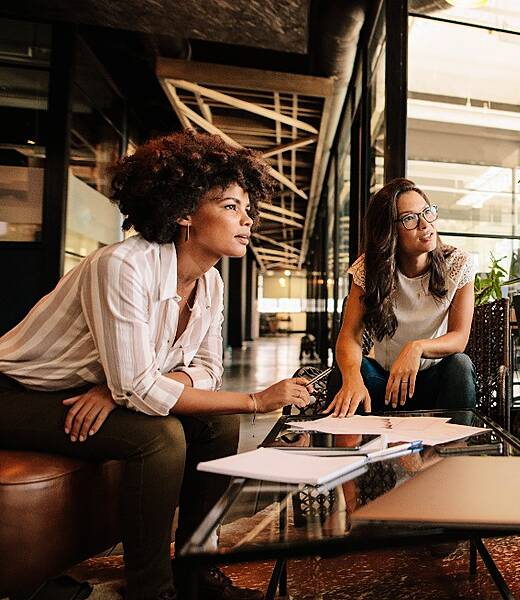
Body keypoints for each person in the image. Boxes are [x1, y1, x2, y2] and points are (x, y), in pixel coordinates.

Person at [0, 130, 315, 600]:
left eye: (248, 208)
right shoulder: (124, 265)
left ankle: (197, 572)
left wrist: (117, 388)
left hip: (89, 389)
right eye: (231, 207)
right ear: (184, 211)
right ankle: (152, 589)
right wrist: (255, 399)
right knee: (159, 438)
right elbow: (140, 386)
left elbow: (206, 367)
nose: (248, 219)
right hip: (15, 393)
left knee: (219, 427)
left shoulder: (210, 282)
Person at [326, 178, 476, 416]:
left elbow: (459, 338)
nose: (425, 224)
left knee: (460, 365)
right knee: (346, 372)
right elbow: (349, 335)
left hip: (433, 382)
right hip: (382, 384)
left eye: (427, 212)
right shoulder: (368, 269)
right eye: (409, 219)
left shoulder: (458, 264)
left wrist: (416, 348)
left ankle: (453, 451)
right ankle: (344, 447)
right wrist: (352, 379)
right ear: (389, 230)